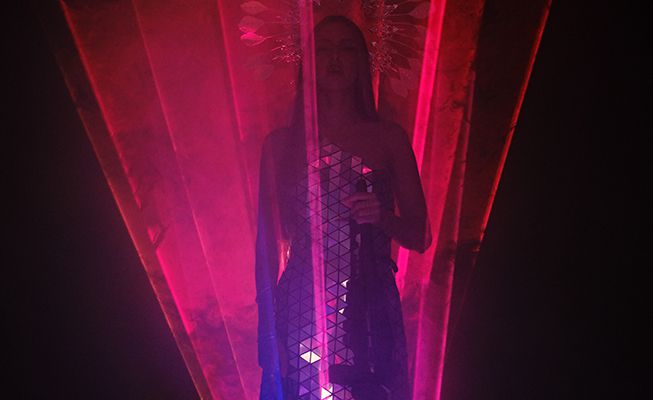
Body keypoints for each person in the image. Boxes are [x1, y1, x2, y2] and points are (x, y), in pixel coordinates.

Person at [255, 15, 431, 400]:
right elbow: (266, 248)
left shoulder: (388, 139)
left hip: (370, 307)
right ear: (308, 63)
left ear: (361, 62)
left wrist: (381, 217)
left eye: (346, 48)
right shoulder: (280, 146)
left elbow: (420, 235)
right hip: (301, 302)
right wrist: (267, 334)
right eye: (323, 49)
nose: (335, 58)